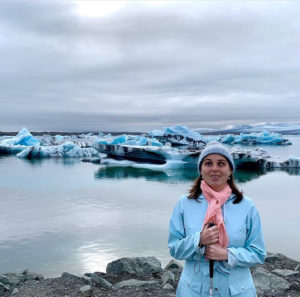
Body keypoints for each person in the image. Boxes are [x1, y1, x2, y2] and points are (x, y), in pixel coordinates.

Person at [168, 143, 266, 297]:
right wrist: (199, 240)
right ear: (201, 169)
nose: (214, 168)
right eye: (208, 163)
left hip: (237, 291)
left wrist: (227, 254)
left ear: (230, 170)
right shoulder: (184, 203)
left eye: (221, 163)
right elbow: (175, 249)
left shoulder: (246, 205)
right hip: (193, 290)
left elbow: (258, 253)